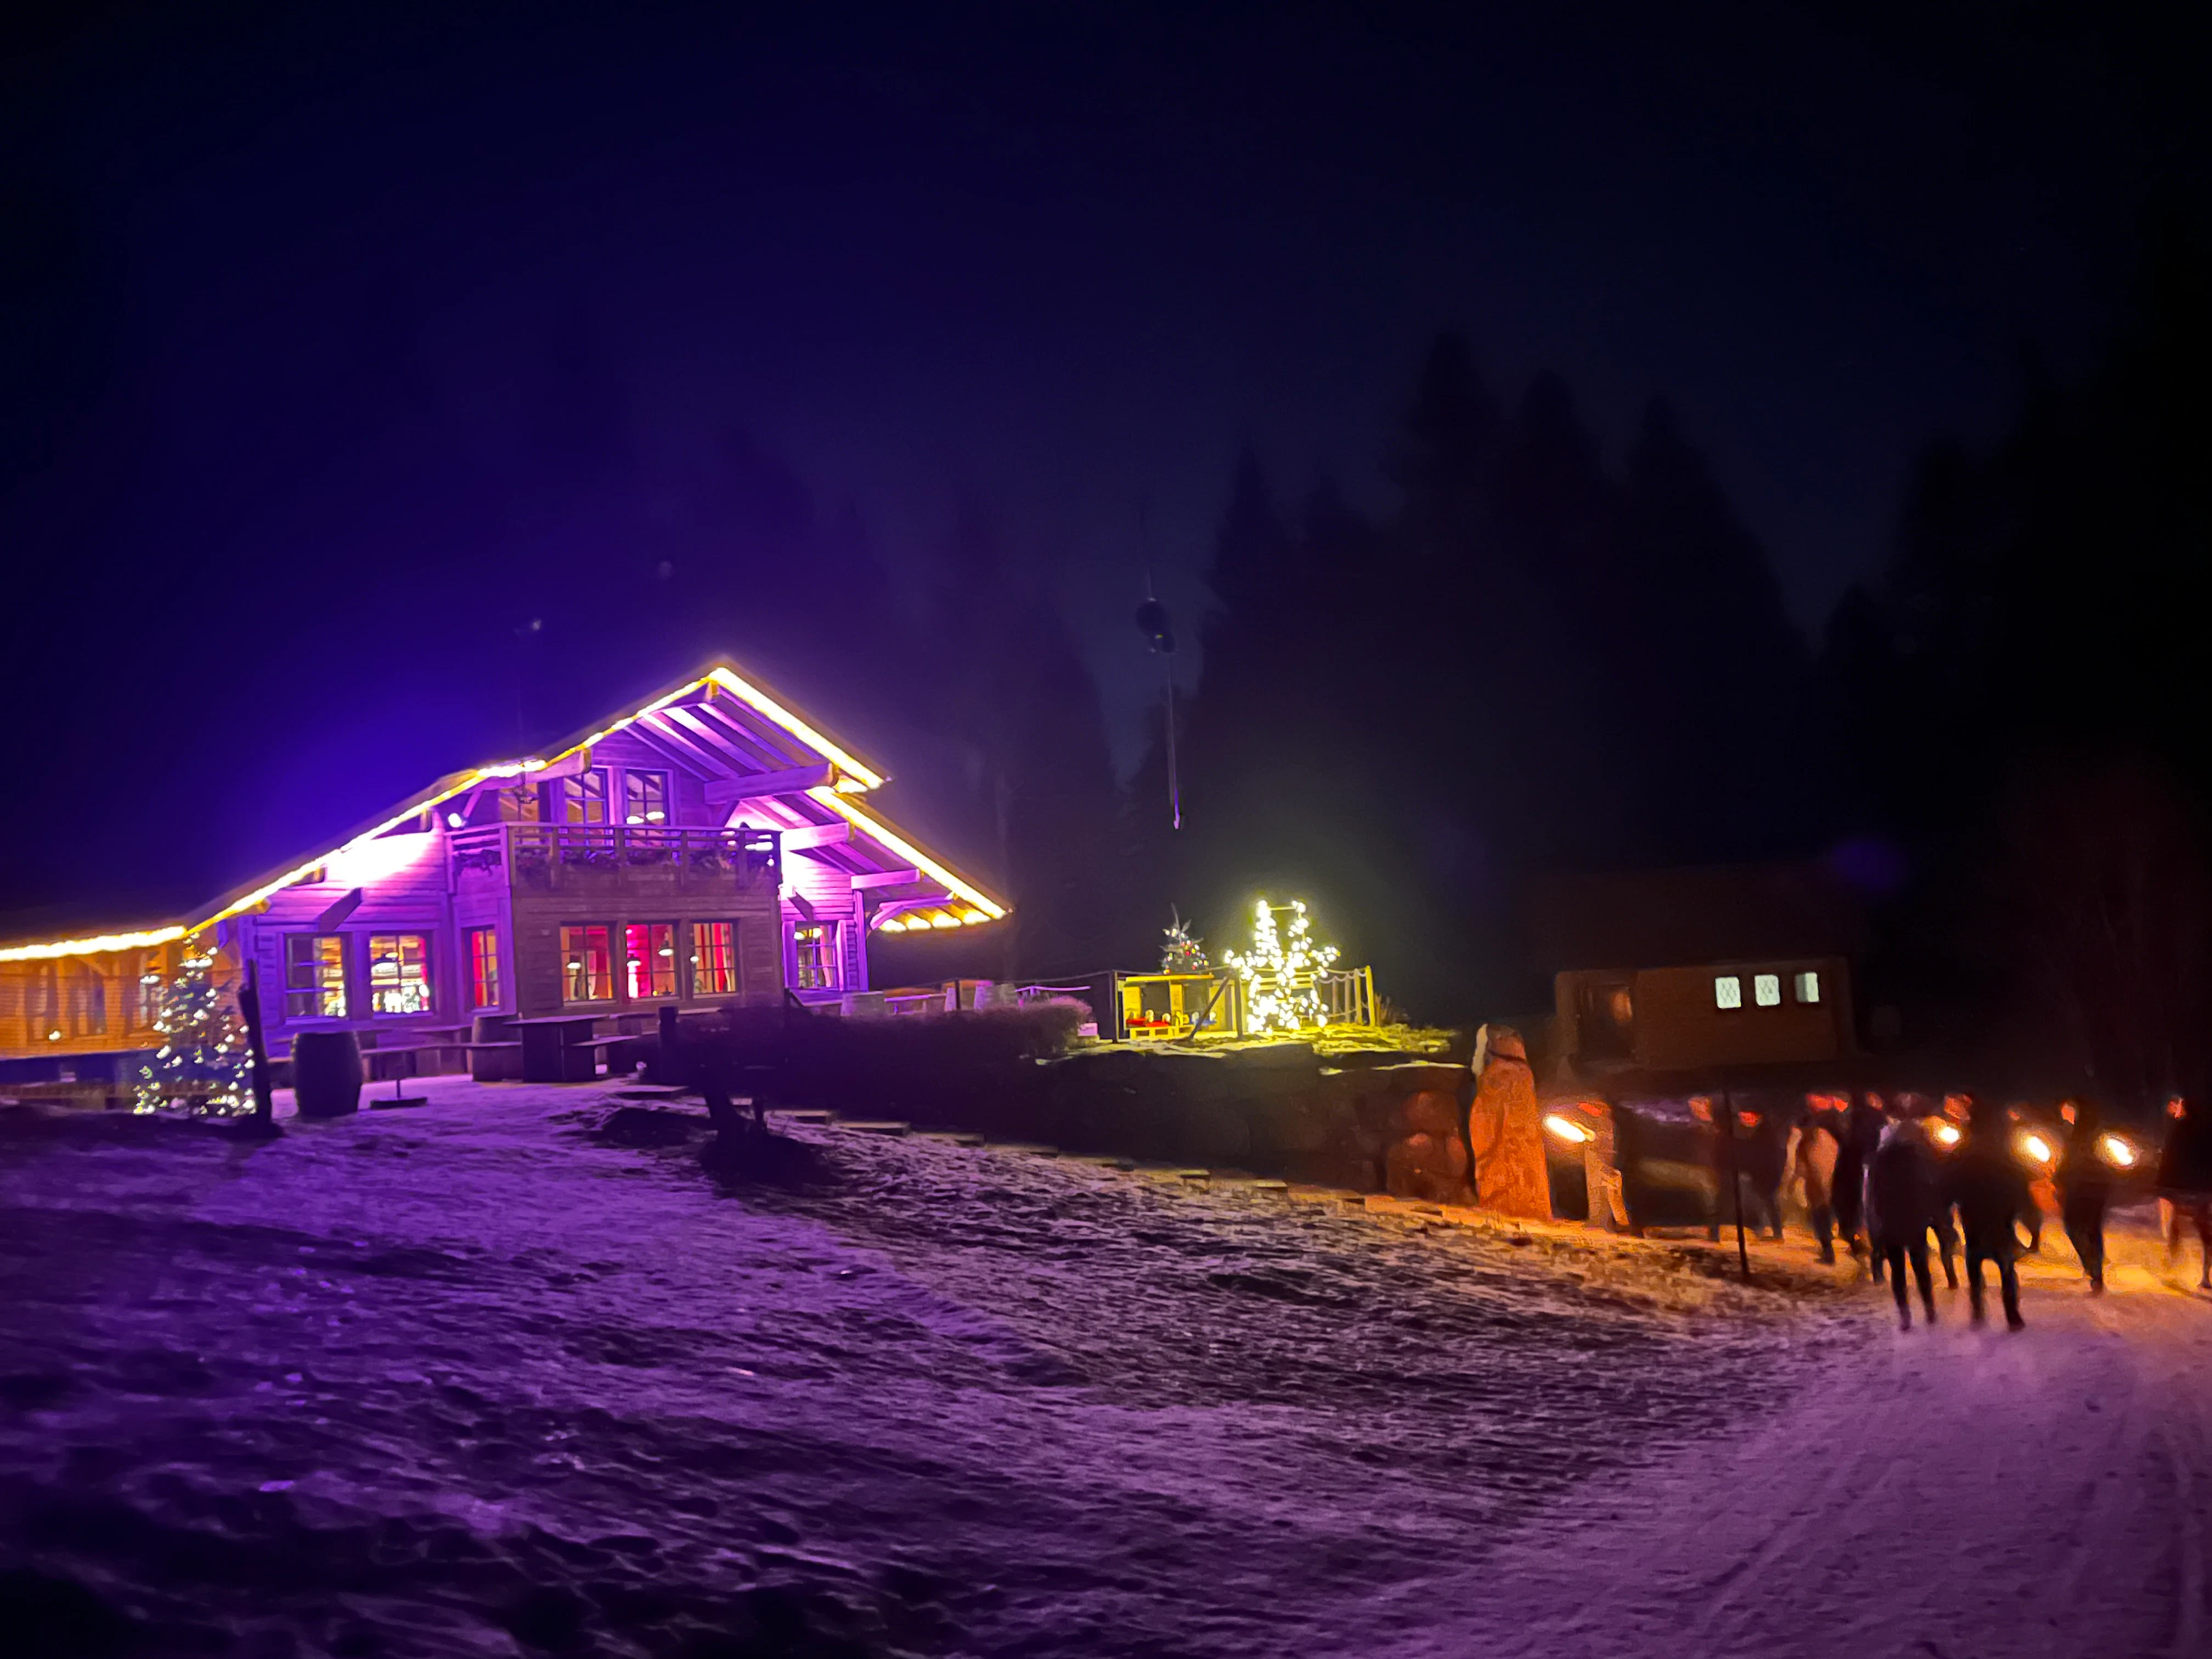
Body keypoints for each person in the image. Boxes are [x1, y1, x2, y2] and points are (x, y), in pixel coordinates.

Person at [1949, 1097, 2030, 1330]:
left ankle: (1978, 1310)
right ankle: (2012, 1315)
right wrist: (2030, 1223)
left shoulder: (1966, 1152)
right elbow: (2019, 1187)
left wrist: (1946, 1206)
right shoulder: (2004, 1153)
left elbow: (1951, 1182)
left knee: (1975, 1259)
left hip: (1974, 1213)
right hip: (1999, 1214)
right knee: (2006, 1266)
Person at [1867, 1114, 1941, 1328]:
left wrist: (1877, 1221)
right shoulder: (1917, 1159)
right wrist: (1933, 1217)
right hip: (1914, 1219)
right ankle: (1929, 1309)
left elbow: (1874, 1195)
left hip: (1890, 1221)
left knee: (1898, 1270)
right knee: (1920, 1266)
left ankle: (1905, 1315)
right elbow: (1927, 1189)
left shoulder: (1879, 1161)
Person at [2055, 1099, 2114, 1293]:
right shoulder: (2100, 1136)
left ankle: (2091, 1265)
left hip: (2079, 1187)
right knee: (2094, 1229)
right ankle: (2097, 1274)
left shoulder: (2077, 1136)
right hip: (2097, 1188)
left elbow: (2069, 1161)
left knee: (2073, 1226)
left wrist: (2059, 1179)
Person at [2156, 1094, 2212, 1290]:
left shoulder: (2178, 1130)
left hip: (2179, 1189)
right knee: (2206, 1233)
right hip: (2203, 1190)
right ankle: (2206, 1275)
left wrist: (2162, 1184)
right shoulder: (2207, 1131)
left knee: (2175, 1227)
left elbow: (2170, 1159)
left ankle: (2173, 1266)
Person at [1793, 1099, 1842, 1263]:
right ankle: (1829, 1250)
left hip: (1820, 1188)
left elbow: (1808, 1166)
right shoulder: (1824, 1137)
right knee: (1823, 1217)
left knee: (1821, 1219)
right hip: (1827, 1186)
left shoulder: (1810, 1142)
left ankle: (1829, 1254)